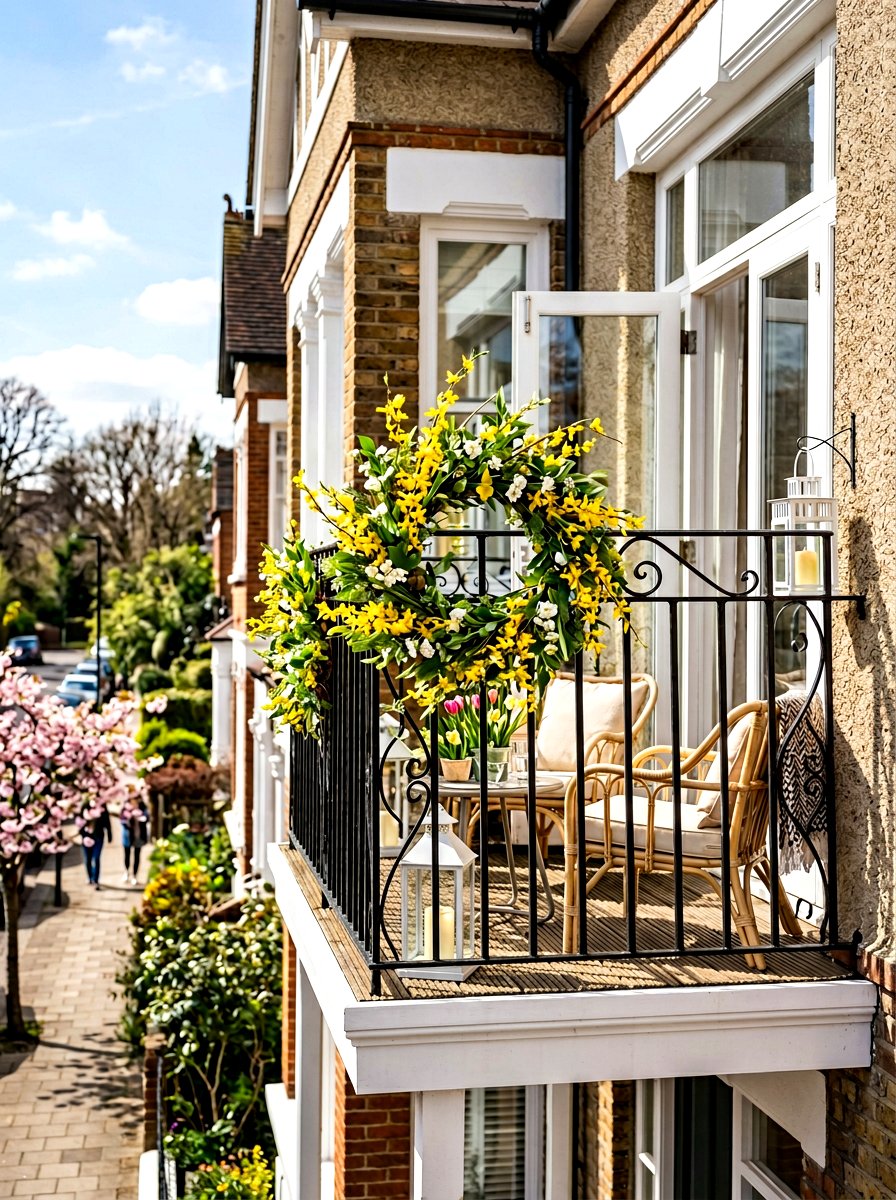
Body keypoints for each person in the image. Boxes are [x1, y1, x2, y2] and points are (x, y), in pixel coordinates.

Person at [81, 807, 113, 890]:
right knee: (88, 859)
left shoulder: (102, 806)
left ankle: (96, 880)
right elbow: (79, 820)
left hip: (98, 836)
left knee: (96, 858)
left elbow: (107, 821)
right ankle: (90, 876)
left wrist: (110, 834)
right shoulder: (85, 805)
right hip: (86, 836)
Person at [120, 797, 149, 886]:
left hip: (138, 836)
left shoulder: (142, 808)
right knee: (127, 855)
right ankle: (126, 872)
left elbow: (147, 818)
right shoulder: (125, 808)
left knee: (137, 856)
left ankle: (135, 876)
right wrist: (130, 818)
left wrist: (141, 817)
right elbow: (122, 820)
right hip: (128, 837)